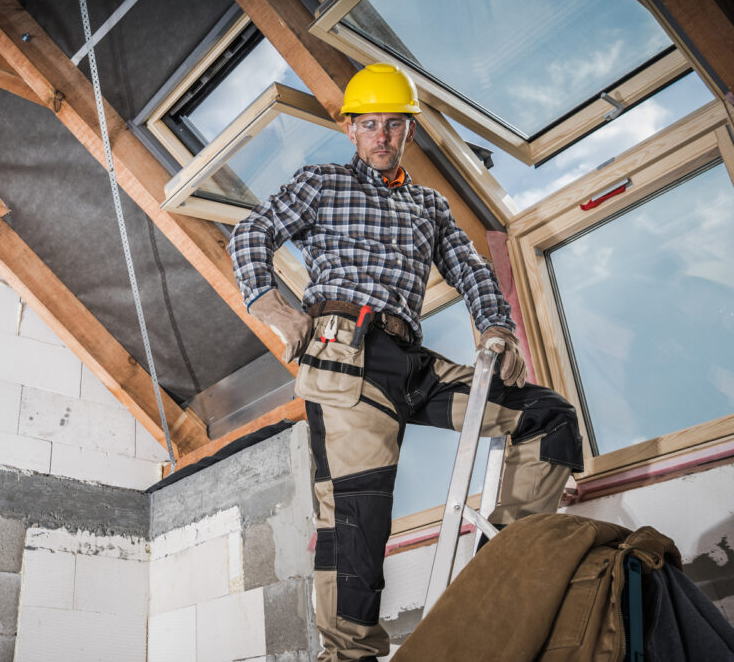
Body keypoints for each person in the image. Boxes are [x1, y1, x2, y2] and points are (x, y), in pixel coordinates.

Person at [227, 63, 584, 661]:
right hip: (345, 358)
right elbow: (249, 236)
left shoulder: (429, 205)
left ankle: (500, 565)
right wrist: (282, 315)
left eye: (393, 125)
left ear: (408, 132)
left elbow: (470, 269)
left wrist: (497, 328)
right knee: (359, 527)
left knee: (548, 417)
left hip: (410, 364)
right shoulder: (322, 183)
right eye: (370, 125)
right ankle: (349, 656)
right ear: (352, 131)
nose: (382, 136)